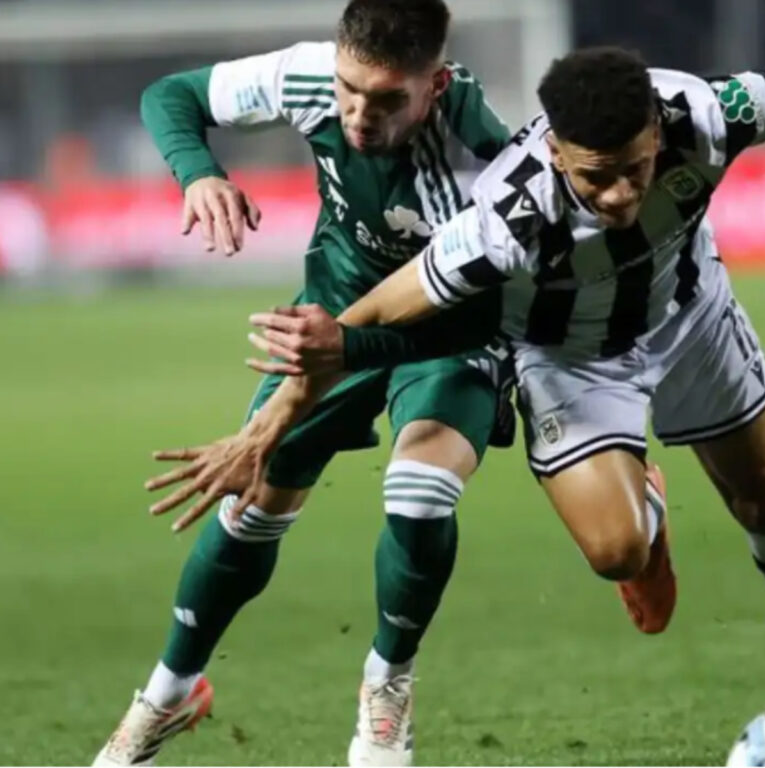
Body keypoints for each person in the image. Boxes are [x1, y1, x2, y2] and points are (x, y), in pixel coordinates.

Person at [147, 48, 765, 765]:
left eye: (636, 168)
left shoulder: (703, 112)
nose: (621, 194)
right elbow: (364, 321)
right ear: (559, 154)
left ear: (656, 133)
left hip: (690, 315)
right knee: (616, 553)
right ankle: (647, 505)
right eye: (597, 178)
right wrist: (266, 427)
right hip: (570, 361)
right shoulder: (505, 213)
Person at [93, 1, 519, 765]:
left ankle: (387, 683)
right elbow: (171, 96)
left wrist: (352, 347)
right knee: (249, 504)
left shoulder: (485, 154)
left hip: (444, 331)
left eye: (387, 100)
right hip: (335, 312)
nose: (358, 115)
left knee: (421, 492)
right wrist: (199, 174)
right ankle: (169, 692)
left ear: (435, 86)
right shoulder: (307, 76)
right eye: (350, 89)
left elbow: (486, 312)